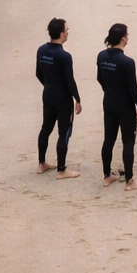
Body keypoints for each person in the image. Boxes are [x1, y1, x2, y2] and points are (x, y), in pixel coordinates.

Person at [96, 23, 137, 190]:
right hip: (125, 105)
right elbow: (132, 87)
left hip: (109, 102)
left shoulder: (101, 56)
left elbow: (100, 78)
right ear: (123, 38)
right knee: (128, 142)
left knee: (109, 139)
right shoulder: (127, 62)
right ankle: (130, 181)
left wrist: (109, 90)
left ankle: (106, 176)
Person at [35, 18, 82, 178]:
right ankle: (61, 170)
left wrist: (49, 85)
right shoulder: (64, 56)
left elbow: (38, 73)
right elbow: (70, 80)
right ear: (61, 34)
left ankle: (41, 164)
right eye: (67, 30)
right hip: (62, 98)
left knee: (46, 128)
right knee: (64, 132)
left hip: (47, 94)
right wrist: (77, 99)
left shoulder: (41, 50)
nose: (68, 32)